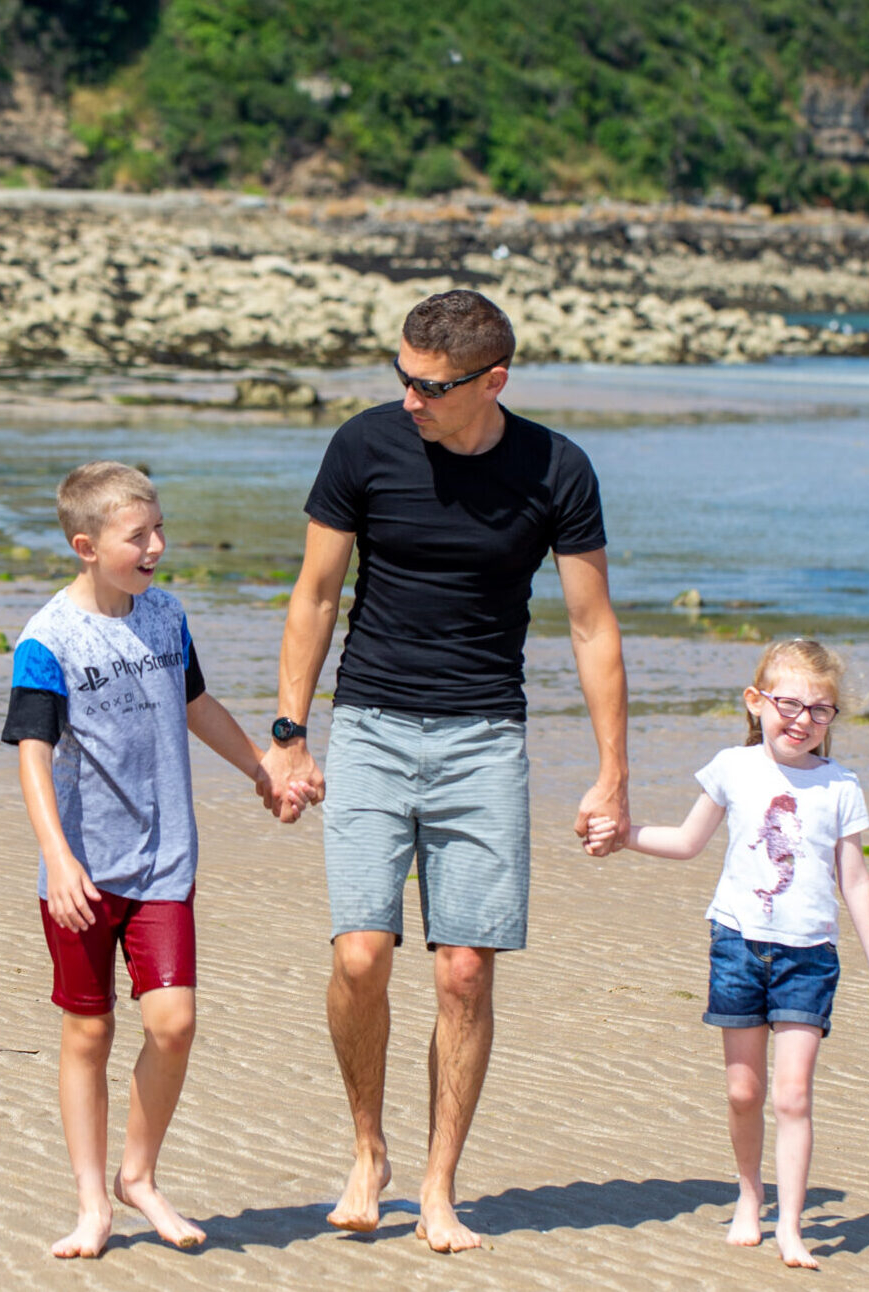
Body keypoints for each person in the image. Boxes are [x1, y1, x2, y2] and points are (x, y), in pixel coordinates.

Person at [258, 290, 631, 1252]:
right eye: (403, 377)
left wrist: (612, 772)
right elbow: (316, 594)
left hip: (485, 740)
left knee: (464, 971)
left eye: (429, 386)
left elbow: (592, 626)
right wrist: (290, 732)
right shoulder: (363, 446)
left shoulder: (557, 468)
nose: (410, 399)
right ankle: (367, 1149)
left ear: (492, 380)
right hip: (371, 727)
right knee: (360, 956)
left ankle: (437, 1184)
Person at [2, 461, 288, 1258]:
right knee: (87, 1030)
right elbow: (32, 755)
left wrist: (262, 769)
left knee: (174, 1023)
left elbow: (194, 704)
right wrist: (58, 857)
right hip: (84, 871)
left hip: (165, 861)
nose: (157, 546)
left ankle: (139, 1175)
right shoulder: (47, 639)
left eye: (160, 529)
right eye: (139, 536)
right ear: (86, 547)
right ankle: (92, 1203)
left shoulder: (166, 616)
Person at [590, 638, 869, 1269]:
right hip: (736, 945)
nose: (803, 720)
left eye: (820, 710)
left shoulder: (840, 785)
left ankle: (791, 1227)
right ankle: (750, 1195)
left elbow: (856, 880)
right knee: (742, 1091)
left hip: (809, 956)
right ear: (756, 702)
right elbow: (687, 841)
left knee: (793, 1096)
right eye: (789, 704)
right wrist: (625, 836)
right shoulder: (734, 766)